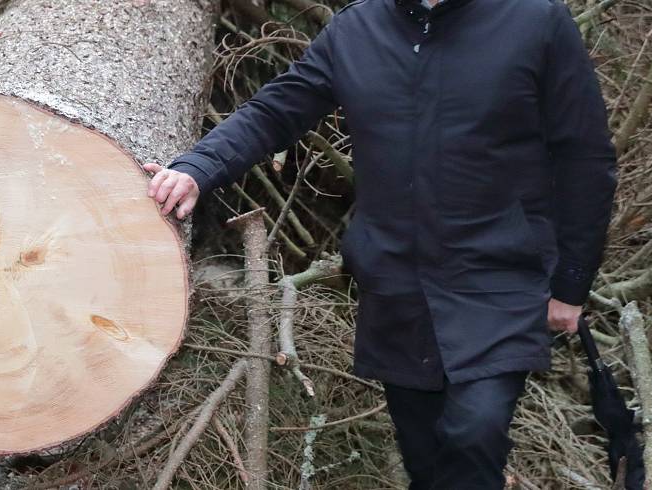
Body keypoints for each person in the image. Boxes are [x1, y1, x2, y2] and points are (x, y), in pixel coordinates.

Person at [146, 0, 617, 488]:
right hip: (396, 282)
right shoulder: (359, 28)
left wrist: (572, 283)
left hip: (499, 275)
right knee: (425, 456)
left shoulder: (536, 21)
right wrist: (198, 168)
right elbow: (275, 111)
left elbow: (586, 157)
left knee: (475, 433)